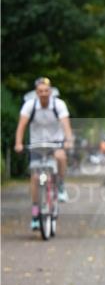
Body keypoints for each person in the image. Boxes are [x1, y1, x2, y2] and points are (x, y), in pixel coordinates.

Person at [14, 77, 74, 229]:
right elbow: (21, 126)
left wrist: (68, 140)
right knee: (35, 177)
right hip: (37, 145)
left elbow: (66, 124)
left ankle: (60, 185)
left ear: (51, 91)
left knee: (61, 156)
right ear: (36, 92)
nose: (44, 94)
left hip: (55, 142)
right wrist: (18, 143)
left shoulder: (58, 105)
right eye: (40, 91)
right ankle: (35, 213)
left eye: (46, 91)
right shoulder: (30, 105)